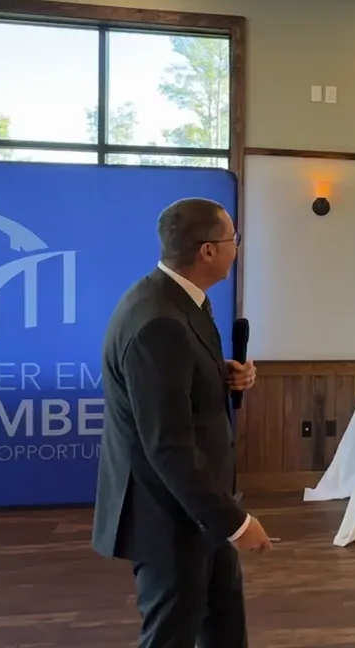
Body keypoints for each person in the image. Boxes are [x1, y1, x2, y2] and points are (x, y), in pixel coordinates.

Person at [92, 197, 273, 648]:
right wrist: (235, 522)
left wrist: (228, 375)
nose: (237, 247)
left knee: (224, 627)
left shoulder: (182, 300)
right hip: (170, 516)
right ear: (207, 251)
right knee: (171, 635)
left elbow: (179, 392)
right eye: (234, 239)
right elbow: (167, 445)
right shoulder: (158, 321)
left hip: (199, 510)